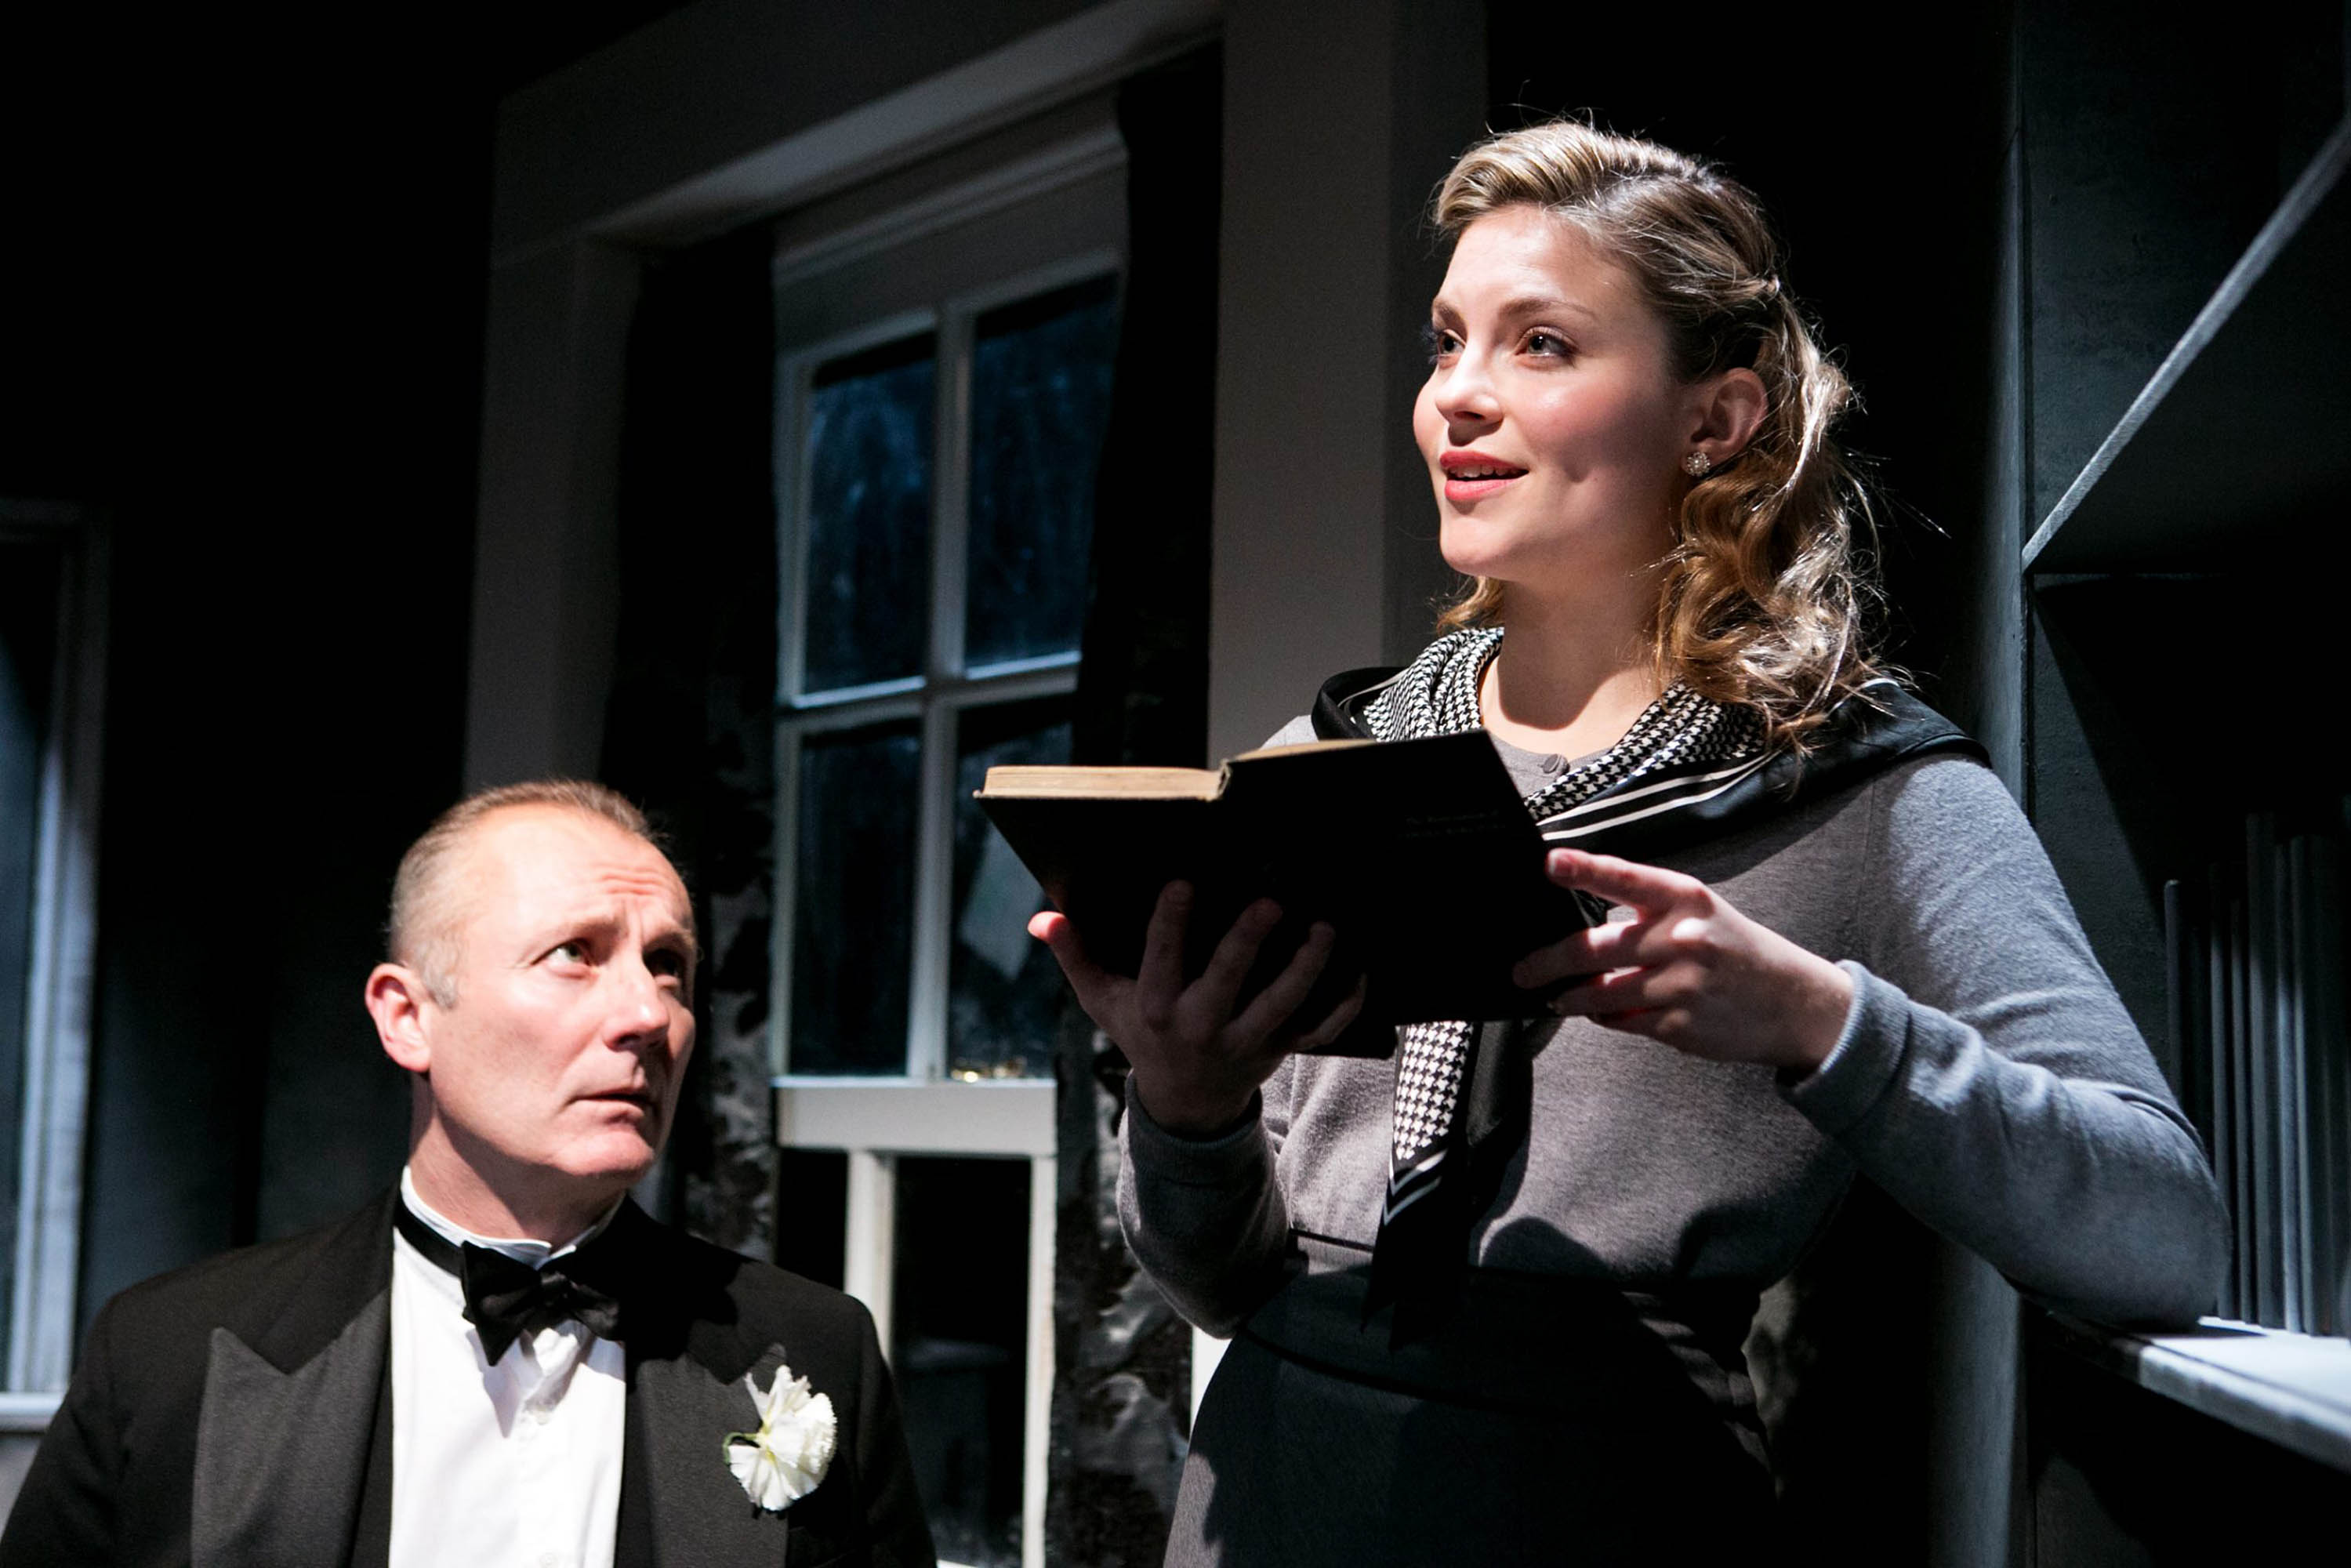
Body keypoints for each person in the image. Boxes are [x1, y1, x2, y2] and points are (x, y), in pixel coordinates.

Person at [1031, 120, 2230, 1563]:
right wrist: (1187, 1109)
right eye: (1446, 342)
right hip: (1263, 1508)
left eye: (1539, 344)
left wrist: (1819, 1022)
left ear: (1711, 421)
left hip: (1609, 1506)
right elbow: (1220, 1285)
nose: (1457, 396)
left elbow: (2157, 1234)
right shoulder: (1325, 770)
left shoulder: (1859, 788)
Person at [1, 781, 935, 1568]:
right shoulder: (169, 1356)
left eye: (667, 964)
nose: (648, 1014)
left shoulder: (815, 1351)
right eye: (574, 953)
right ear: (408, 1017)